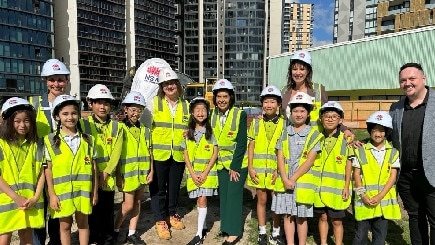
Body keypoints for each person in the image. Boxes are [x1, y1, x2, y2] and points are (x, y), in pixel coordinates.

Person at [390, 62, 435, 245]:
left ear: (423, 79)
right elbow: (387, 136)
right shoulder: (395, 108)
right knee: (415, 218)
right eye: (403, 80)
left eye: (411, 79)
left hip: (431, 174)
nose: (407, 83)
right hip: (406, 175)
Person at [44, 95, 98, 245]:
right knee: (65, 225)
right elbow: (48, 169)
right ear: (57, 116)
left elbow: (93, 168)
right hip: (62, 193)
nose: (70, 117)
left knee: (83, 224)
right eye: (65, 114)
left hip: (83, 191)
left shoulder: (88, 139)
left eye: (74, 113)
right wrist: (52, 195)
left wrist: (94, 192)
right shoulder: (50, 140)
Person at [272, 92, 323, 245]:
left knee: (301, 217)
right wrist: (285, 178)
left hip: (301, 182)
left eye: (302, 111)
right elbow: (280, 155)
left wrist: (292, 179)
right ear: (291, 113)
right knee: (287, 215)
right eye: (295, 111)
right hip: (285, 181)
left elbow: (310, 160)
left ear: (308, 114)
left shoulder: (314, 134)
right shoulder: (285, 132)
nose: (299, 114)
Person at [30, 58, 70, 245]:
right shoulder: (34, 103)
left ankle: (55, 242)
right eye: (52, 79)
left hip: (59, 168)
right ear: (46, 81)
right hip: (38, 166)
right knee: (38, 212)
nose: (56, 84)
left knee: (56, 209)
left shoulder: (71, 104)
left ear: (67, 81)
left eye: (60, 79)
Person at [148, 67, 189, 240]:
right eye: (166, 84)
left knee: (174, 187)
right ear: (161, 87)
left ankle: (171, 214)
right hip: (158, 154)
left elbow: (190, 128)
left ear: (178, 85)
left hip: (178, 154)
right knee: (158, 189)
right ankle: (160, 219)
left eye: (172, 83)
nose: (169, 86)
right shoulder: (154, 103)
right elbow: (145, 129)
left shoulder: (186, 105)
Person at [81, 84, 124, 245]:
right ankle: (93, 237)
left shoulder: (116, 127)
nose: (103, 107)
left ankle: (107, 237)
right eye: (98, 102)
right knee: (91, 210)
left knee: (107, 209)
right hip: (89, 177)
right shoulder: (82, 124)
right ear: (90, 103)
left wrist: (106, 172)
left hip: (107, 177)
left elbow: (116, 153)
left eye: (106, 103)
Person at [0, 98, 45, 244]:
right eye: (17, 121)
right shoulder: (1, 144)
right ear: (8, 122)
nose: (22, 125)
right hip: (6, 200)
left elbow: (42, 172)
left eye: (26, 120)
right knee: (4, 236)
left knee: (27, 236)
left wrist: (36, 196)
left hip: (29, 200)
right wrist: (15, 197)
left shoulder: (37, 145)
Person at [352, 111, 401, 245]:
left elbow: (393, 176)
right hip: (364, 201)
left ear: (386, 132)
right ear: (369, 131)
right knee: (360, 236)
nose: (377, 134)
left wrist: (380, 196)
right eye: (374, 130)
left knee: (379, 237)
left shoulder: (393, 152)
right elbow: (356, 174)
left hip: (382, 203)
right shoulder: (361, 150)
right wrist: (362, 195)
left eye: (381, 131)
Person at [281, 50, 353, 139]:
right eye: (295, 69)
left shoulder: (318, 90)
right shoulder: (284, 91)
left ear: (308, 71)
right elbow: (279, 117)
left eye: (302, 69)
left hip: (313, 141)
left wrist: (345, 130)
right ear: (290, 71)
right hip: (289, 141)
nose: (298, 73)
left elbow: (328, 114)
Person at [210, 79, 247, 245]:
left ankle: (234, 232)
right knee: (224, 197)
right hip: (220, 163)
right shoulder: (212, 114)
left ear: (231, 97)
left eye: (225, 96)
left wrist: (235, 166)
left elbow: (241, 143)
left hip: (236, 164)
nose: (222, 100)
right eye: (219, 96)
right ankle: (226, 226)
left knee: (233, 196)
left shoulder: (240, 114)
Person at [246, 85, 285, 245]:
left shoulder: (284, 124)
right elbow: (251, 146)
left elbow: (286, 150)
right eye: (266, 102)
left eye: (272, 102)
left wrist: (279, 170)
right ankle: (262, 231)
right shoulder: (256, 123)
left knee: (276, 202)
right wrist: (250, 167)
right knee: (261, 199)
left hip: (276, 172)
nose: (269, 105)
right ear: (262, 104)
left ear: (278, 105)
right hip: (259, 170)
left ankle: (276, 232)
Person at [113, 91, 153, 244]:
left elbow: (150, 152)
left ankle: (132, 233)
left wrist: (151, 171)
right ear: (126, 110)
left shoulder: (145, 130)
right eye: (132, 109)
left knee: (137, 203)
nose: (135, 113)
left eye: (139, 110)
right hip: (127, 174)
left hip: (142, 173)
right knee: (128, 205)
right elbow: (116, 155)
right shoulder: (120, 129)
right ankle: (115, 229)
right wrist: (118, 176)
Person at [314, 101, 352, 245]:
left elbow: (349, 164)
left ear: (340, 120)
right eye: (326, 116)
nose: (330, 119)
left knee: (337, 221)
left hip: (337, 189)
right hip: (320, 188)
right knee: (323, 217)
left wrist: (347, 186)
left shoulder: (346, 139)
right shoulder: (316, 137)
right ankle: (323, 242)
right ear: (321, 119)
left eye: (334, 116)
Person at [183, 97, 218, 245]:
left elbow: (215, 153)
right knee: (199, 200)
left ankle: (198, 235)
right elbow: (185, 153)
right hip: (193, 174)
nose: (200, 112)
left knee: (202, 199)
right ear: (192, 113)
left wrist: (204, 173)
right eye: (197, 109)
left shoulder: (210, 132)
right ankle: (203, 227)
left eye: (203, 109)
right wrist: (191, 173)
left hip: (207, 175)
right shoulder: (188, 133)